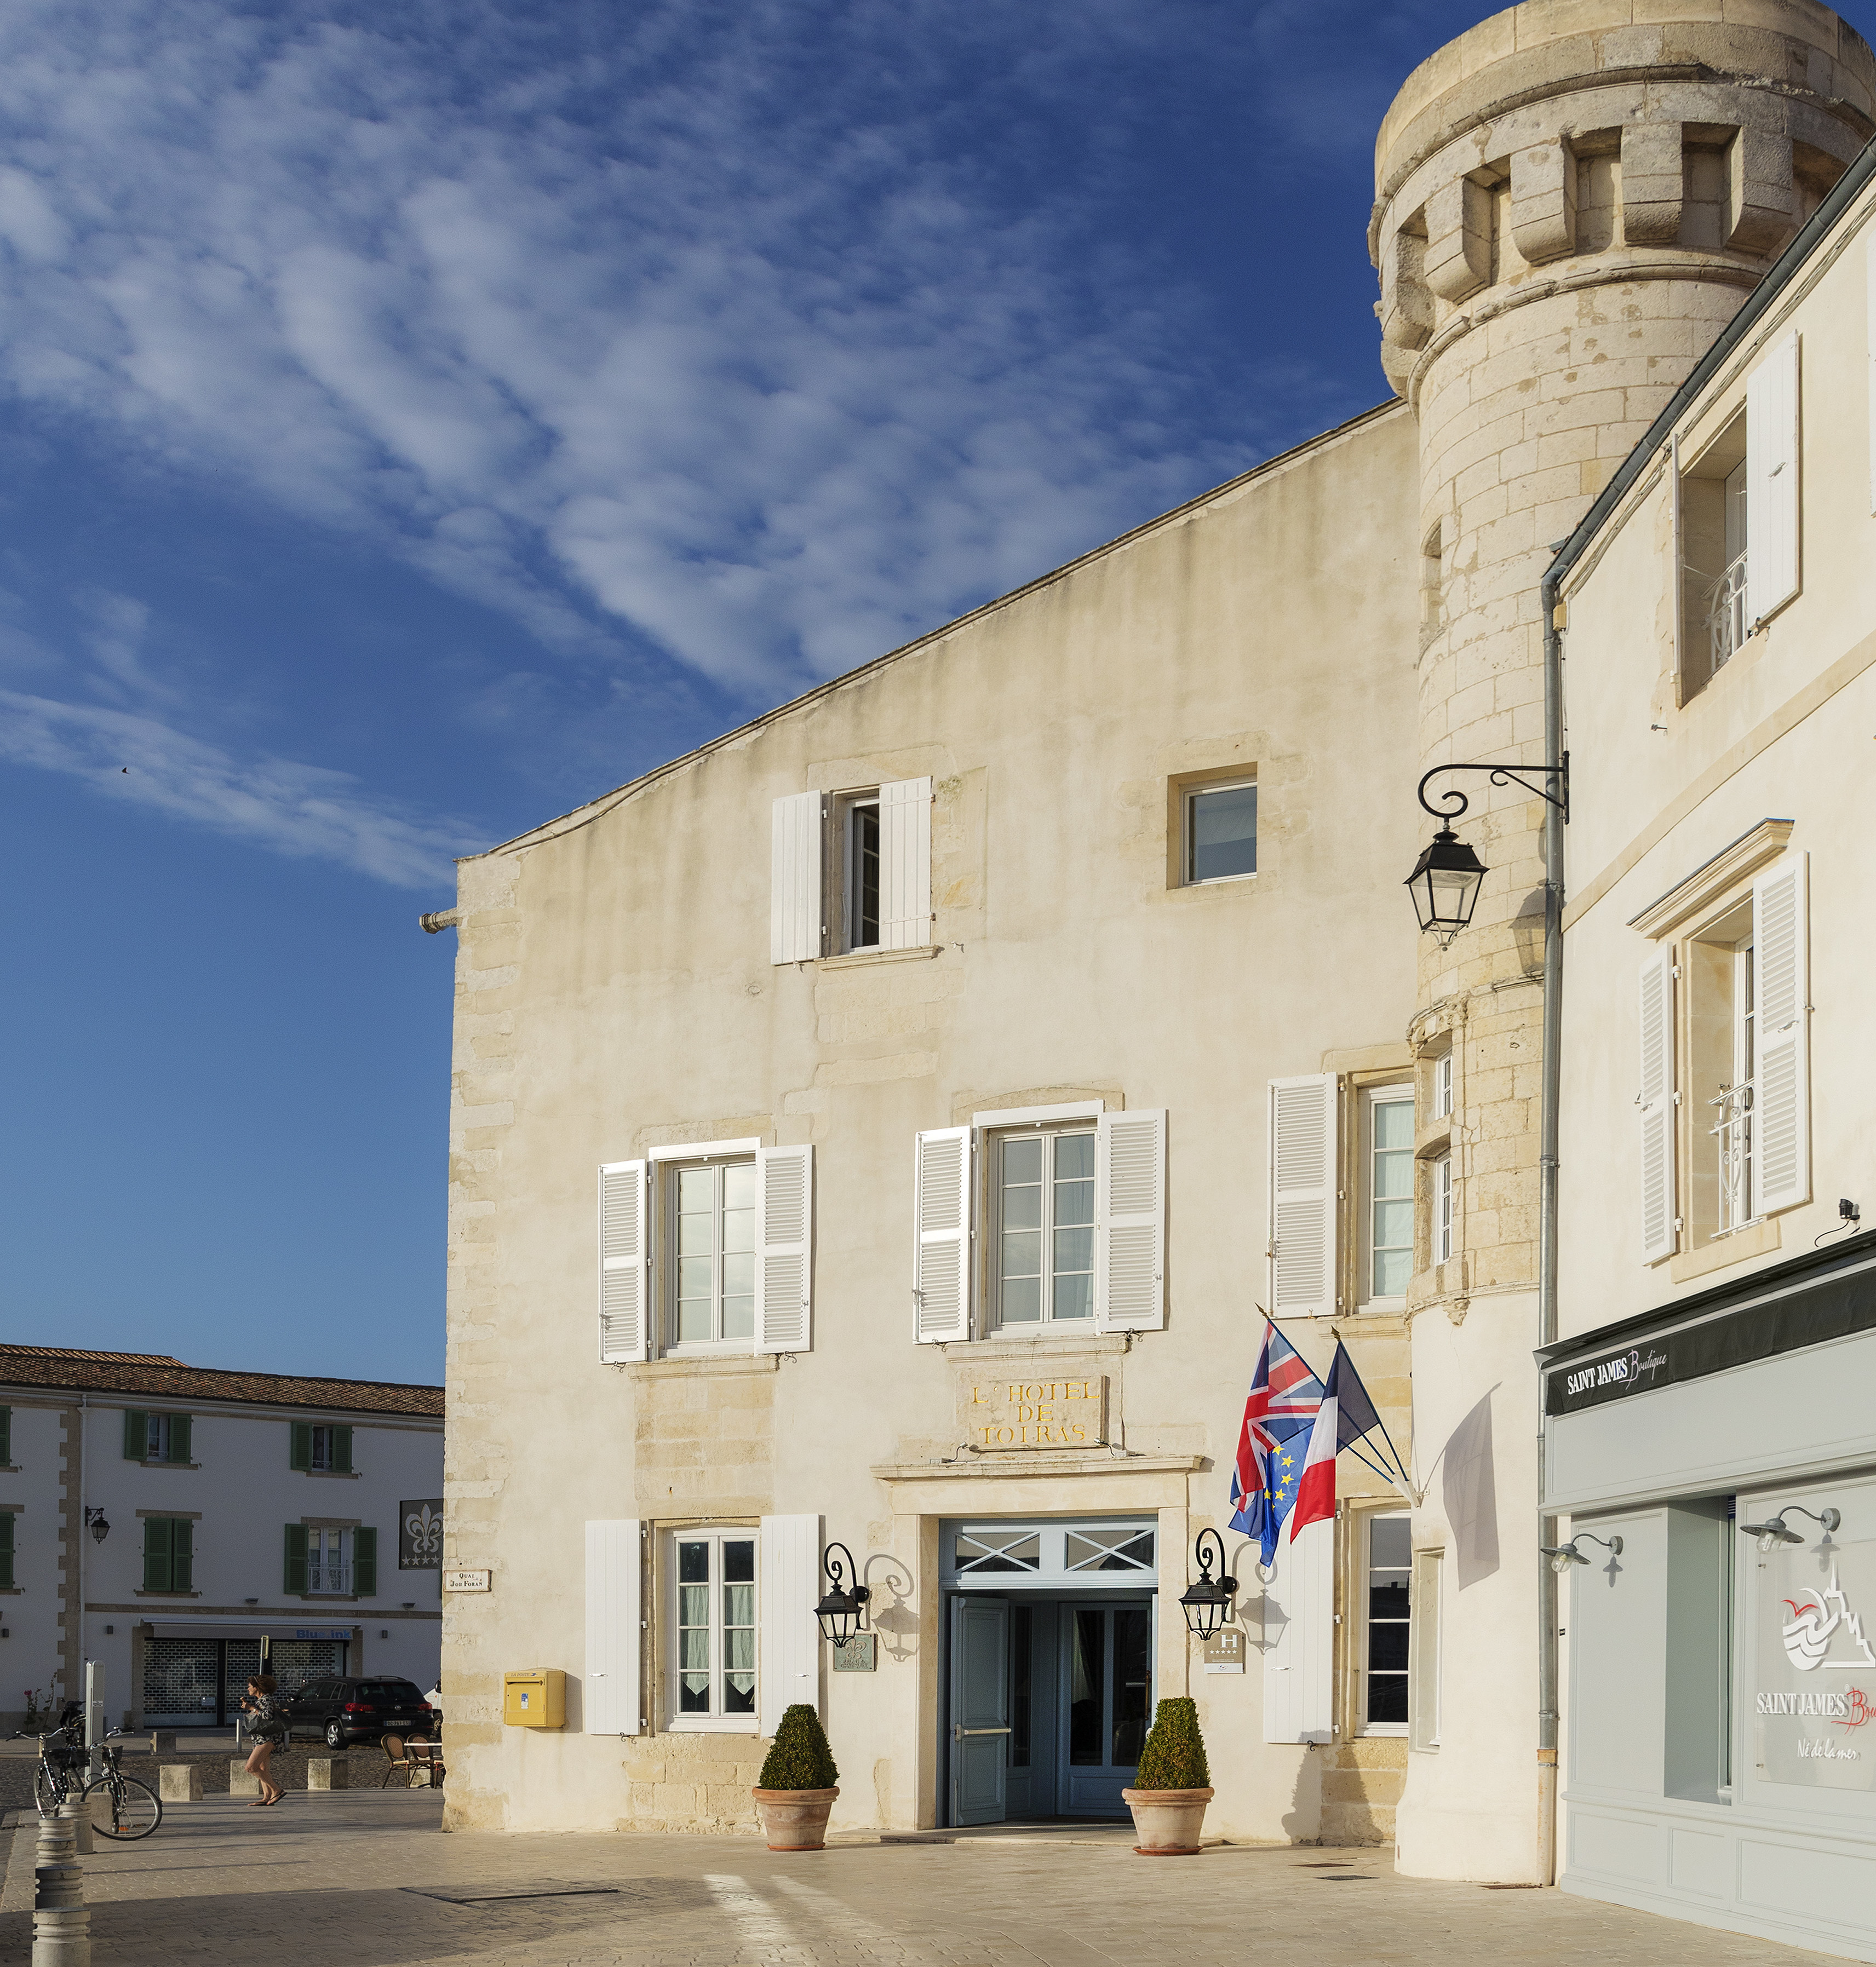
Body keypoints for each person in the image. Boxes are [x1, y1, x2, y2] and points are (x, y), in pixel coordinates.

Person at [238, 1676, 285, 1805]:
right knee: (263, 1768)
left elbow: (267, 1716)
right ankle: (267, 1797)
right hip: (261, 1738)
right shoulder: (262, 1700)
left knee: (251, 1767)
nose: (248, 1688)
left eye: (250, 1686)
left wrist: (251, 1708)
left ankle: (277, 1790)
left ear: (257, 1687)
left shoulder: (266, 1699)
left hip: (267, 1739)